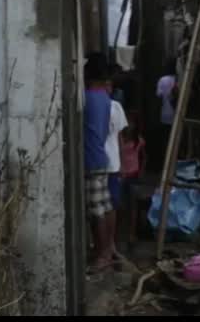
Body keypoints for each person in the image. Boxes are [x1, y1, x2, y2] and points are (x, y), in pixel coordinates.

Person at [83, 54, 115, 271]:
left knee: (96, 210)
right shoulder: (103, 96)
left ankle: (102, 255)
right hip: (100, 157)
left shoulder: (87, 97)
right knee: (104, 205)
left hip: (91, 160)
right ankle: (106, 251)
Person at [105, 83, 128, 252]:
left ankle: (111, 242)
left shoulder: (115, 107)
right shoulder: (88, 103)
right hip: (99, 163)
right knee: (100, 207)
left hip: (113, 164)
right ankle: (105, 244)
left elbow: (120, 137)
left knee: (112, 205)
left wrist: (123, 162)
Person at [119, 123, 147, 244]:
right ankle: (120, 234)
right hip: (121, 176)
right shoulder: (120, 138)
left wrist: (141, 171)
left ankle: (132, 234)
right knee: (120, 205)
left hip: (133, 175)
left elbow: (144, 157)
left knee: (132, 206)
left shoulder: (138, 140)